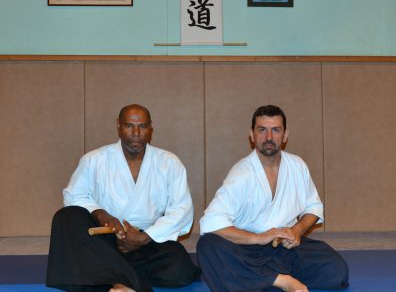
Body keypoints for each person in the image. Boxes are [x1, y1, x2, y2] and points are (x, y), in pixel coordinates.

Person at [46, 104, 200, 292]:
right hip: (103, 241)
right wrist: (101, 214)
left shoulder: (169, 162)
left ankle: (109, 275)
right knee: (67, 217)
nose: (136, 133)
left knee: (179, 268)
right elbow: (74, 195)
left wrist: (144, 237)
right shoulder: (94, 159)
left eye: (142, 126)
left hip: (147, 240)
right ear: (118, 126)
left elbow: (181, 209)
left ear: (151, 128)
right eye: (129, 126)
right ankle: (124, 283)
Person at [197, 105, 348, 292]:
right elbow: (210, 222)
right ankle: (282, 281)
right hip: (248, 250)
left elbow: (314, 207)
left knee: (336, 270)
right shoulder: (241, 174)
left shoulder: (297, 166)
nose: (269, 137)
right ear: (252, 135)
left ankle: (261, 278)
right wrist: (258, 238)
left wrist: (297, 231)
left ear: (285, 135)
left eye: (275, 130)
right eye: (262, 130)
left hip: (285, 247)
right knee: (209, 247)